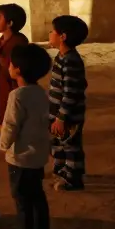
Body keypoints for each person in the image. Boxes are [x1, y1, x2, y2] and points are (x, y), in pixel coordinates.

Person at [0, 44, 53, 229]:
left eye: (11, 63)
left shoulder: (17, 95)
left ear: (18, 69)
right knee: (37, 198)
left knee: (22, 201)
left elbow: (11, 124)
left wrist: (3, 145)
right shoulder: (40, 93)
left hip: (20, 157)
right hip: (37, 155)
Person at [48, 15, 89, 192]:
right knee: (58, 144)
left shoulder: (71, 60)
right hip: (58, 114)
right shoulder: (61, 56)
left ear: (62, 36)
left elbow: (70, 92)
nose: (49, 34)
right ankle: (62, 172)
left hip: (68, 115)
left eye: (52, 31)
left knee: (71, 146)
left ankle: (73, 179)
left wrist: (62, 117)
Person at [0, 4, 29, 124]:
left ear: (9, 23)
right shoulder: (1, 40)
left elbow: (20, 66)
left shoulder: (19, 41)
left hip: (11, 88)